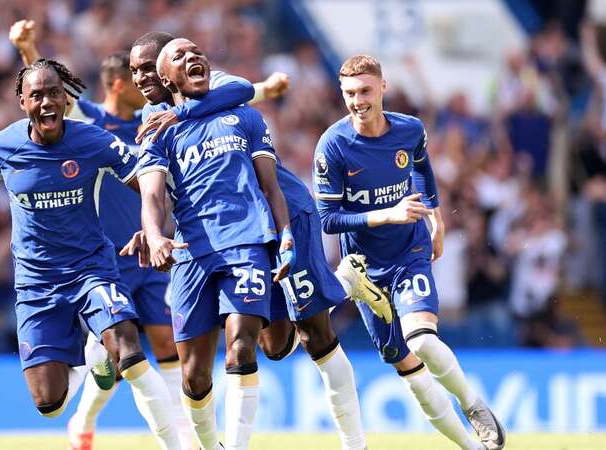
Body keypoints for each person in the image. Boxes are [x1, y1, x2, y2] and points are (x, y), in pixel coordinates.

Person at [125, 31, 392, 450]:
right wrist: (154, 230)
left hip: (284, 212)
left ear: (166, 69)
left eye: (146, 67)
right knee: (276, 346)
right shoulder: (155, 118)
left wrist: (192, 111)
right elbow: (168, 185)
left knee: (314, 335)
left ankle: (354, 442)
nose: (140, 78)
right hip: (226, 237)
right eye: (135, 70)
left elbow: (242, 89)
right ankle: (339, 282)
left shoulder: (218, 91)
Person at [0, 58, 181, 450]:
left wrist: (153, 231)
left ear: (67, 99)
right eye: (37, 94)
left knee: (131, 354)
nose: (47, 101)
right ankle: (92, 359)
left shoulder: (93, 141)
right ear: (23, 102)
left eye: (55, 92)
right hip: (37, 284)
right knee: (49, 404)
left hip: (93, 270)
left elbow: (149, 182)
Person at [8, 20, 192, 450]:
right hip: (106, 259)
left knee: (165, 343)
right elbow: (47, 96)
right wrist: (28, 46)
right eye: (136, 78)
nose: (147, 85)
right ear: (115, 83)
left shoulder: (151, 121)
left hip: (150, 249)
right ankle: (84, 422)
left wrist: (260, 89)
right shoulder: (91, 121)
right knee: (114, 359)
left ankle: (185, 435)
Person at [313, 54, 505, 450]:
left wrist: (436, 217)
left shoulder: (409, 130)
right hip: (364, 272)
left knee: (421, 340)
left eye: (365, 90)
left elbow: (422, 168)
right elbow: (328, 218)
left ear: (383, 88)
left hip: (408, 252)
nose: (357, 100)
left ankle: (473, 405)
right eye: (349, 93)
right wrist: (387, 214)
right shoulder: (332, 145)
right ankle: (473, 447)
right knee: (408, 367)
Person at [136, 37, 294, 450]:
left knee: (241, 345)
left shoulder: (243, 116)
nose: (192, 58)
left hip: (246, 242)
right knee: (193, 374)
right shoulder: (156, 130)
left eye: (195, 52)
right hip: (192, 254)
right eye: (179, 57)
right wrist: (155, 236)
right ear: (165, 76)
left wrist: (285, 232)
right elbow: (152, 195)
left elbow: (270, 186)